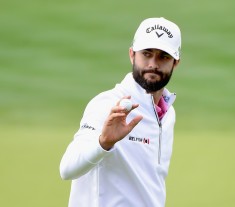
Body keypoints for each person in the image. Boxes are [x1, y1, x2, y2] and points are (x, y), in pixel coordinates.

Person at [60, 17, 182, 207]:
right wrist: (103, 143)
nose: (153, 64)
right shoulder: (108, 104)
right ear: (132, 55)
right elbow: (66, 169)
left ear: (175, 63)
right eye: (147, 54)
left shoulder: (168, 114)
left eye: (163, 56)